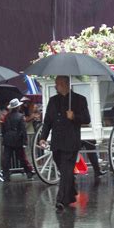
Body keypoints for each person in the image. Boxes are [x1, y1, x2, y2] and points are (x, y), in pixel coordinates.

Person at [39, 76, 91, 211]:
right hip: (56, 142)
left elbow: (86, 119)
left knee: (67, 170)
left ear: (66, 84)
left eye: (58, 84)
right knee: (64, 171)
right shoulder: (53, 101)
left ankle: (61, 200)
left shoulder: (79, 100)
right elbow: (47, 122)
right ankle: (72, 192)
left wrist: (74, 117)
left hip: (71, 141)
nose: (56, 86)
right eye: (56, 84)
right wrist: (43, 137)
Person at [1, 98, 31, 181]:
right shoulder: (20, 116)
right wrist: (25, 140)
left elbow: (3, 129)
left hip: (7, 139)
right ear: (18, 107)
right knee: (21, 157)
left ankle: (6, 175)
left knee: (6, 158)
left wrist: (4, 136)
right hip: (17, 139)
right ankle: (28, 172)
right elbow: (23, 129)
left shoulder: (6, 116)